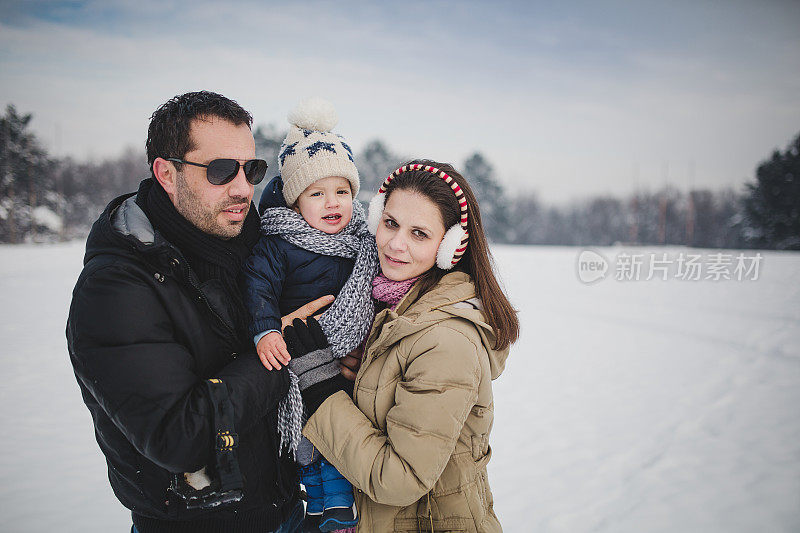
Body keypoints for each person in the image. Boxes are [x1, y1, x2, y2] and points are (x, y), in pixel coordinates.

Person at [66, 91, 324, 533]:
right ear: (167, 173)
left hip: (288, 512)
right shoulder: (115, 289)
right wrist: (279, 354)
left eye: (252, 169)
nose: (243, 188)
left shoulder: (254, 249)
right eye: (221, 170)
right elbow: (180, 436)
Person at [283, 160, 519, 532]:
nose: (395, 244)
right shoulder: (378, 309)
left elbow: (397, 479)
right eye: (390, 223)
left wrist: (323, 387)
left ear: (450, 246)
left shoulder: (446, 341)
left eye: (419, 234)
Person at [241, 98, 378, 533]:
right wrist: (265, 331)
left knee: (338, 432)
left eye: (341, 191)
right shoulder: (279, 243)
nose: (332, 202)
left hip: (346, 357)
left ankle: (336, 509)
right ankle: (322, 505)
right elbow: (257, 287)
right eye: (316, 194)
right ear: (296, 201)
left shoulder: (362, 240)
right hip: (299, 355)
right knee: (309, 437)